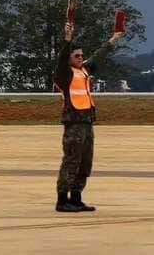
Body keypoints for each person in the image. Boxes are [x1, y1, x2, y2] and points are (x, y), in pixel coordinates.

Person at [54, 21, 122, 213]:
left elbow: (99, 56)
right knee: (71, 161)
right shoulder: (64, 75)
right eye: (77, 55)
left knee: (85, 163)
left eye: (82, 55)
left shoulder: (83, 70)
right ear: (69, 58)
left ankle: (76, 198)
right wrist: (67, 40)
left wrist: (113, 39)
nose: (81, 58)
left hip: (86, 123)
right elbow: (60, 60)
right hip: (73, 124)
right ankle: (62, 200)